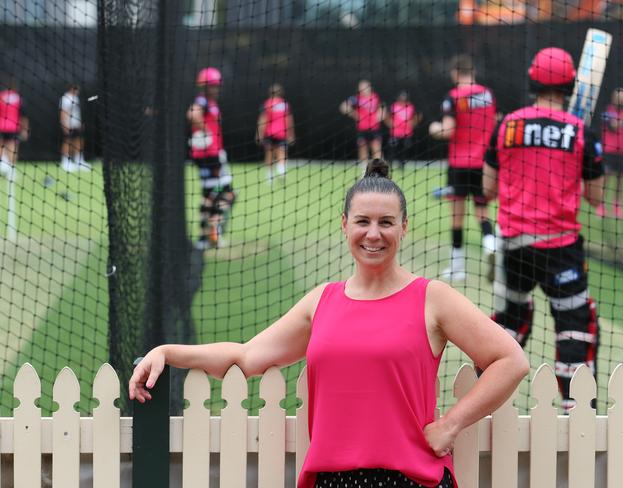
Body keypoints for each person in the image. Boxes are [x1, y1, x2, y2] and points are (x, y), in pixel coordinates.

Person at [130, 159, 529, 488]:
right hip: (333, 481)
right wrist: (167, 352)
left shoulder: (432, 298)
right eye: (363, 221)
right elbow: (246, 356)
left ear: (404, 227)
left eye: (386, 222)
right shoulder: (322, 302)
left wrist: (451, 424)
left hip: (411, 479)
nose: (374, 234)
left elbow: (510, 359)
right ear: (344, 225)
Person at [483, 47, 604, 412]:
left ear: (532, 81)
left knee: (510, 321)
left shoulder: (507, 125)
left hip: (514, 246)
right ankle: (576, 412)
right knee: (575, 324)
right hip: (560, 247)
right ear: (569, 86)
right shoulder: (581, 131)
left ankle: (487, 401)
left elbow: (487, 189)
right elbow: (596, 196)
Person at [429, 54, 497, 282]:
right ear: (473, 71)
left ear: (456, 73)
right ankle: (491, 245)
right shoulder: (487, 95)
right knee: (482, 212)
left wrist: (434, 128)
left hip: (459, 163)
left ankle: (457, 267)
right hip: (483, 164)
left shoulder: (453, 97)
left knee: (457, 217)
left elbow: (447, 130)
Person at [187, 67, 235, 250]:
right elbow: (192, 113)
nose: (216, 88)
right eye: (213, 85)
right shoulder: (202, 101)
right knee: (224, 194)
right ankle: (212, 232)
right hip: (210, 156)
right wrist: (205, 130)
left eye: (217, 85)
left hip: (210, 155)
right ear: (205, 86)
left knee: (210, 195)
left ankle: (206, 235)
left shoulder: (211, 103)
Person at [598, 87, 623, 218]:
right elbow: (613, 126)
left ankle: (616, 206)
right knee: (606, 178)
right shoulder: (607, 112)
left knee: (620, 180)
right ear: (614, 98)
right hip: (609, 150)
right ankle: (601, 205)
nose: (622, 100)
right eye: (620, 97)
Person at [256, 83, 295, 184]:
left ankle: (270, 177)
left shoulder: (268, 103)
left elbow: (263, 120)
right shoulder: (285, 104)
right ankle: (281, 171)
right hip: (282, 133)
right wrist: (291, 134)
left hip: (269, 133)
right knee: (282, 153)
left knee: (269, 153)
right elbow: (289, 120)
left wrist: (259, 134)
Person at [339, 80, 384, 166]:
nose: (363, 89)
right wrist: (354, 114)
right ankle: (364, 170)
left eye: (365, 87)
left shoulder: (375, 97)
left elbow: (382, 107)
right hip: (362, 128)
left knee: (376, 149)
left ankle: (378, 170)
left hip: (374, 128)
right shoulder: (356, 98)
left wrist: (380, 115)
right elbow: (343, 107)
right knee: (363, 148)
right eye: (361, 87)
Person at [0, 76, 28, 180]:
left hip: (2, 126)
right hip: (13, 127)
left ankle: (3, 164)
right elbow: (23, 115)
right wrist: (25, 129)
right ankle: (11, 169)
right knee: (12, 148)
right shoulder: (18, 98)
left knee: (1, 145)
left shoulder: (1, 96)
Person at [385, 90, 421, 169]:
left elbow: (418, 116)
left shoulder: (411, 107)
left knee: (404, 149)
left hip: (406, 133)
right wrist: (390, 123)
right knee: (392, 149)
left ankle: (401, 165)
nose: (403, 99)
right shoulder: (394, 106)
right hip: (395, 132)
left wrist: (413, 123)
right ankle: (389, 164)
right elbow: (386, 116)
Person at [60, 83, 90, 172]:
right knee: (67, 141)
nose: (78, 91)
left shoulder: (76, 98)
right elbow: (63, 112)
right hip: (68, 124)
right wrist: (64, 125)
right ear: (72, 88)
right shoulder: (65, 98)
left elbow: (76, 112)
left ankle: (79, 161)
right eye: (76, 89)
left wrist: (79, 123)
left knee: (79, 141)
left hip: (76, 125)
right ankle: (65, 162)